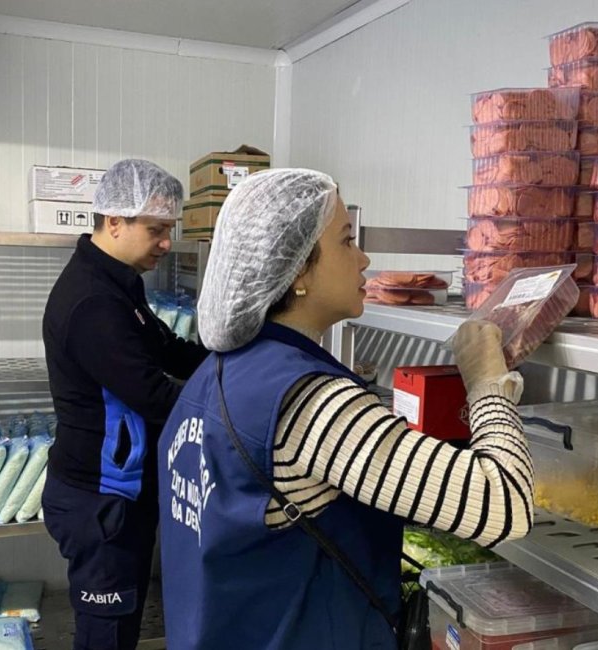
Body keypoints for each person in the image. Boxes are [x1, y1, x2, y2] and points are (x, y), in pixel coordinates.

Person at [157, 168, 534, 649]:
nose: (364, 259)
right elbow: (504, 505)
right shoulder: (310, 401)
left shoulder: (218, 372)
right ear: (297, 270)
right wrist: (487, 383)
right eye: (347, 241)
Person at [41, 159, 209, 650]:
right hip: (100, 501)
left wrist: (233, 362)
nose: (166, 243)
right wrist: (235, 406)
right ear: (114, 222)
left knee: (123, 626)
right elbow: (154, 396)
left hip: (122, 495)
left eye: (169, 230)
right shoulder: (92, 301)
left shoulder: (120, 284)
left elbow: (168, 350)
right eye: (156, 230)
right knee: (107, 636)